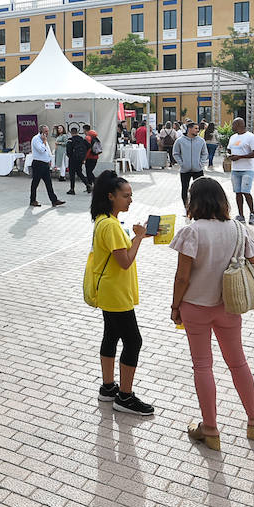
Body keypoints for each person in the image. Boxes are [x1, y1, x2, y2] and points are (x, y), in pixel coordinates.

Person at [169, 176, 254, 451]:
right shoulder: (237, 228)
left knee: (202, 365)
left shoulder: (192, 231)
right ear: (222, 200)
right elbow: (253, 264)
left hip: (195, 307)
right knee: (238, 362)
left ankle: (210, 429)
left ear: (193, 200)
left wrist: (176, 306)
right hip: (229, 304)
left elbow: (182, 277)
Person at [86, 170, 155, 415]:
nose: (130, 200)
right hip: (115, 293)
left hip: (109, 290)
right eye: (126, 196)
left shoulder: (105, 220)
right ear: (111, 197)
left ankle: (108, 388)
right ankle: (124, 396)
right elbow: (124, 261)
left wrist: (137, 236)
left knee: (111, 336)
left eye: (131, 195)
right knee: (133, 341)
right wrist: (138, 239)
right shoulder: (111, 226)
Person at [226, 117, 254, 224]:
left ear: (240, 125)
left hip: (247, 169)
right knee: (238, 192)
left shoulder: (251, 137)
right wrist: (229, 155)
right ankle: (241, 215)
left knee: (246, 192)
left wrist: (240, 157)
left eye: (234, 125)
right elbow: (229, 149)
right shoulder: (233, 137)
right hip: (235, 170)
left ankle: (252, 213)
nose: (232, 127)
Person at [29, 125, 64, 208]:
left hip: (45, 164)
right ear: (41, 131)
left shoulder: (44, 139)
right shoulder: (36, 139)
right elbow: (41, 150)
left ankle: (54, 200)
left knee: (49, 183)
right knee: (35, 183)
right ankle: (32, 200)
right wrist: (44, 142)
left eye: (48, 131)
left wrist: (50, 160)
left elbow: (47, 151)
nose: (47, 133)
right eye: (46, 131)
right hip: (38, 164)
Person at [173, 122, 207, 207]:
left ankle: (198, 207)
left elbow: (205, 153)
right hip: (185, 170)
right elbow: (176, 153)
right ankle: (186, 207)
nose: (197, 130)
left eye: (198, 129)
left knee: (200, 190)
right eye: (195, 128)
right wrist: (182, 163)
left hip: (198, 169)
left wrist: (201, 164)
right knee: (185, 189)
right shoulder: (180, 141)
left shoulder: (201, 141)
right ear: (189, 129)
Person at [64, 126, 89, 195]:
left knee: (72, 174)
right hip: (80, 159)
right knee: (79, 173)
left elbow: (68, 150)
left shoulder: (70, 140)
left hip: (72, 159)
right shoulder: (82, 139)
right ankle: (88, 185)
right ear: (77, 132)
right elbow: (89, 146)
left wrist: (70, 156)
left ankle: (72, 189)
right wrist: (83, 156)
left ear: (71, 133)